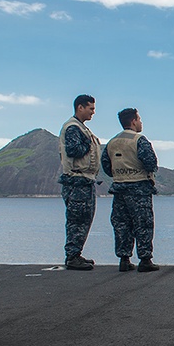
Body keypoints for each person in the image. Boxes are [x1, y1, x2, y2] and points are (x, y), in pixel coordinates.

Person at [101, 108, 159, 273]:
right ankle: (145, 259)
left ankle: (124, 259)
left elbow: (105, 164)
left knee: (121, 224)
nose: (140, 122)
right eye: (139, 119)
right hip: (139, 187)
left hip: (119, 188)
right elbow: (150, 162)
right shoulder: (139, 140)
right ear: (133, 121)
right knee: (143, 223)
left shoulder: (112, 142)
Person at [58, 94, 100, 271]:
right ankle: (72, 256)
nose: (93, 112)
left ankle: (76, 253)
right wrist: (88, 144)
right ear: (80, 107)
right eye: (90, 108)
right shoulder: (73, 128)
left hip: (84, 181)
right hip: (76, 181)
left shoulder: (81, 128)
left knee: (84, 218)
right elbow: (74, 150)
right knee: (77, 218)